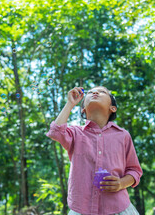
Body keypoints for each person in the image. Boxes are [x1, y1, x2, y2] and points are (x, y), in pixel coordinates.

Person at [46, 86, 143, 215]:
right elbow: (55, 132)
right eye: (90, 92)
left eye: (102, 92)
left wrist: (121, 183)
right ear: (83, 109)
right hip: (82, 209)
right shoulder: (75, 133)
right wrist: (70, 104)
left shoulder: (123, 135)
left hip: (117, 208)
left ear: (112, 108)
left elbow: (135, 171)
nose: (95, 92)